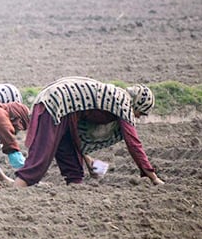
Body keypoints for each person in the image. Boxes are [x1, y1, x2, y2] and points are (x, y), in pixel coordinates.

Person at [14, 76, 164, 187]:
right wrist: (153, 177)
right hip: (55, 103)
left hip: (65, 111)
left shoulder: (115, 99)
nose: (137, 117)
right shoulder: (123, 103)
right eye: (141, 113)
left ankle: (74, 192)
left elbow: (77, 134)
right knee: (38, 162)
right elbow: (133, 144)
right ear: (137, 105)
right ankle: (16, 190)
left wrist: (88, 160)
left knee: (73, 168)